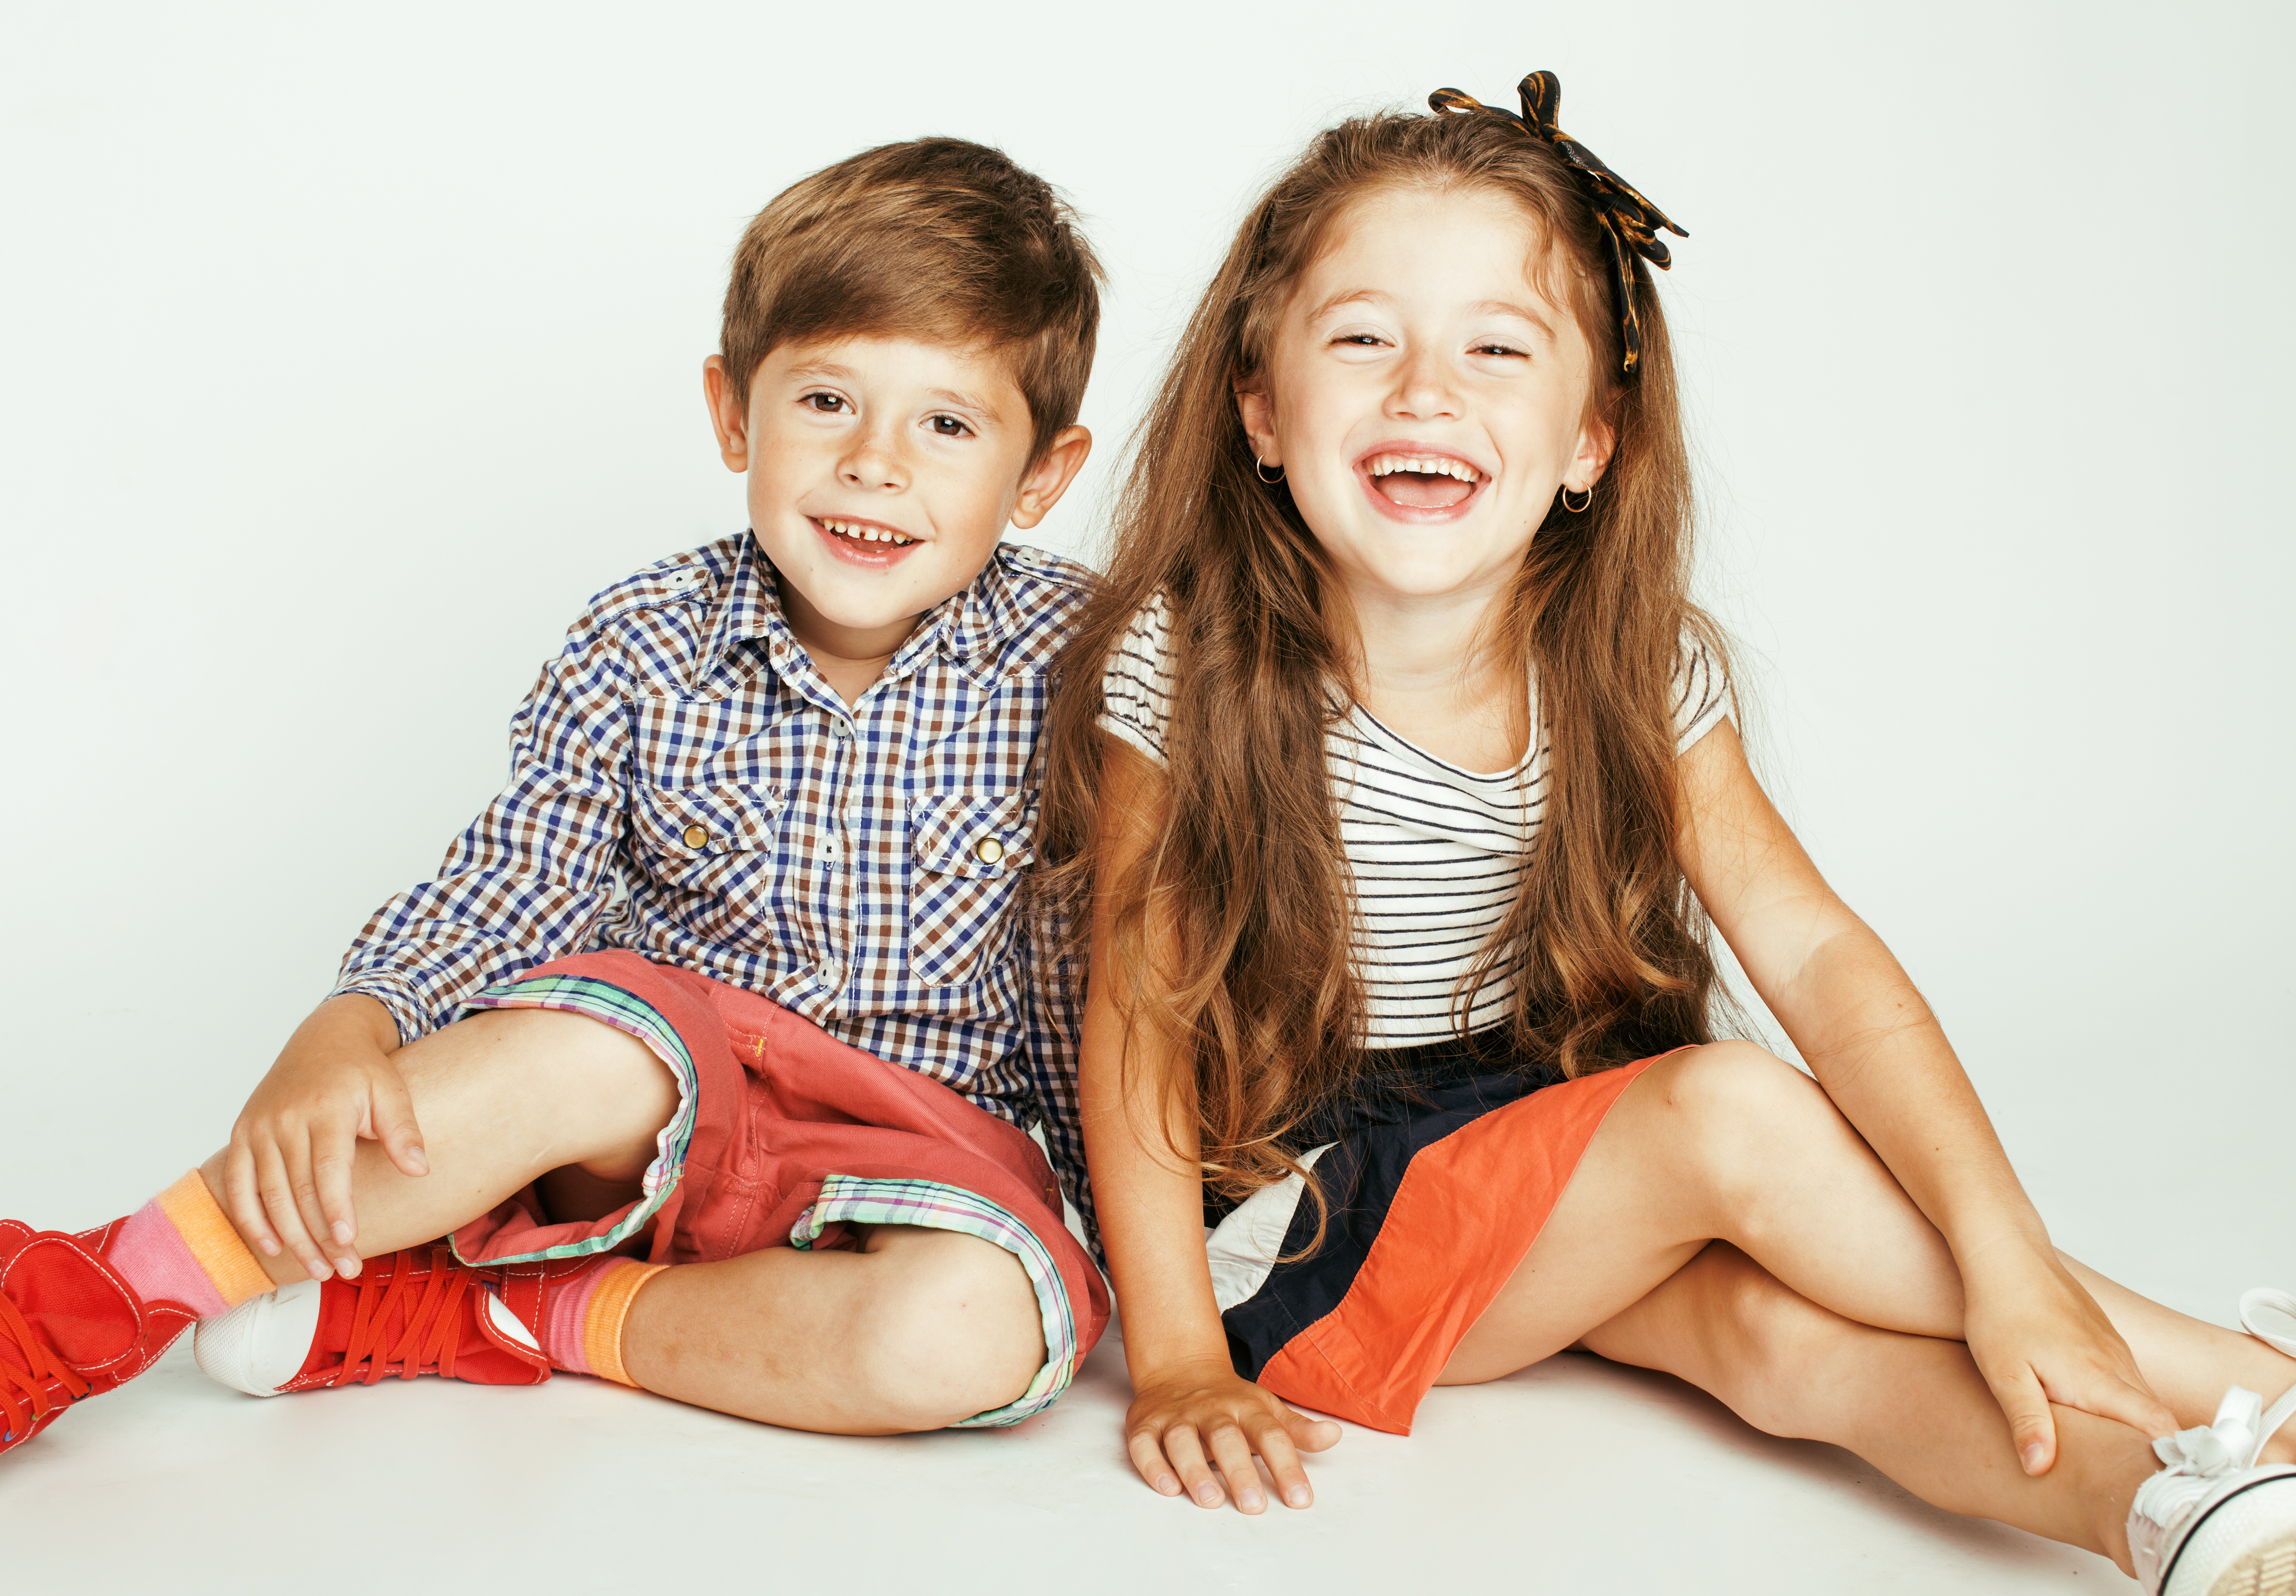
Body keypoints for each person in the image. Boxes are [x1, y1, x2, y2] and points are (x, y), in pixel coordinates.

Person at [1033, 73, 2296, 1594]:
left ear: (1590, 441)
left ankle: (2169, 1515)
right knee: (1727, 1113)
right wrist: (1173, 1357)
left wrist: (2005, 1254)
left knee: (1776, 1340)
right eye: (1363, 338)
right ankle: (2244, 1379)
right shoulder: (1184, 661)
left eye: (1497, 349)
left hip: (1538, 1151)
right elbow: (1137, 1016)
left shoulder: (1627, 661)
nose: (1425, 390)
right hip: (1303, 1229)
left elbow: (1819, 954)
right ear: (1258, 407)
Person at [0, 135, 1111, 1453]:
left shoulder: (1082, 666)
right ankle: (97, 1288)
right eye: (826, 402)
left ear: (1039, 473)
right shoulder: (645, 636)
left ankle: (512, 1314)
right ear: (732, 411)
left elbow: (1099, 979)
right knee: (589, 1038)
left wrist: (1137, 1246)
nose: (876, 463)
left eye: (946, 422)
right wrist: (354, 1017)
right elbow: (520, 874)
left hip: (917, 1155)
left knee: (975, 1332)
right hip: (658, 1119)